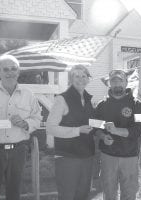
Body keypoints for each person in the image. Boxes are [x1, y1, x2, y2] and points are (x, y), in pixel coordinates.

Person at [0, 55, 42, 200]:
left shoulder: (28, 94)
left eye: (14, 69)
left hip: (18, 152)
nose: (10, 72)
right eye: (6, 69)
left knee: (14, 194)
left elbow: (37, 118)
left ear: (18, 71)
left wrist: (25, 123)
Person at [94, 69, 141, 200]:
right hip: (107, 157)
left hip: (129, 157)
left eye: (120, 80)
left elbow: (138, 130)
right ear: (109, 83)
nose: (117, 84)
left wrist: (116, 130)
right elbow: (95, 127)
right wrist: (103, 137)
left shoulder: (137, 105)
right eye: (113, 81)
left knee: (129, 194)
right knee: (109, 193)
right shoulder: (101, 105)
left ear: (126, 82)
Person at [46, 65, 95, 200]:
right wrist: (77, 130)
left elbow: (91, 124)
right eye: (76, 76)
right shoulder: (61, 99)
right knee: (68, 195)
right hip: (67, 157)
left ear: (88, 79)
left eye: (84, 76)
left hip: (87, 156)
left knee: (83, 195)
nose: (80, 79)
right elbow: (50, 127)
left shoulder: (89, 100)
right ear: (70, 79)